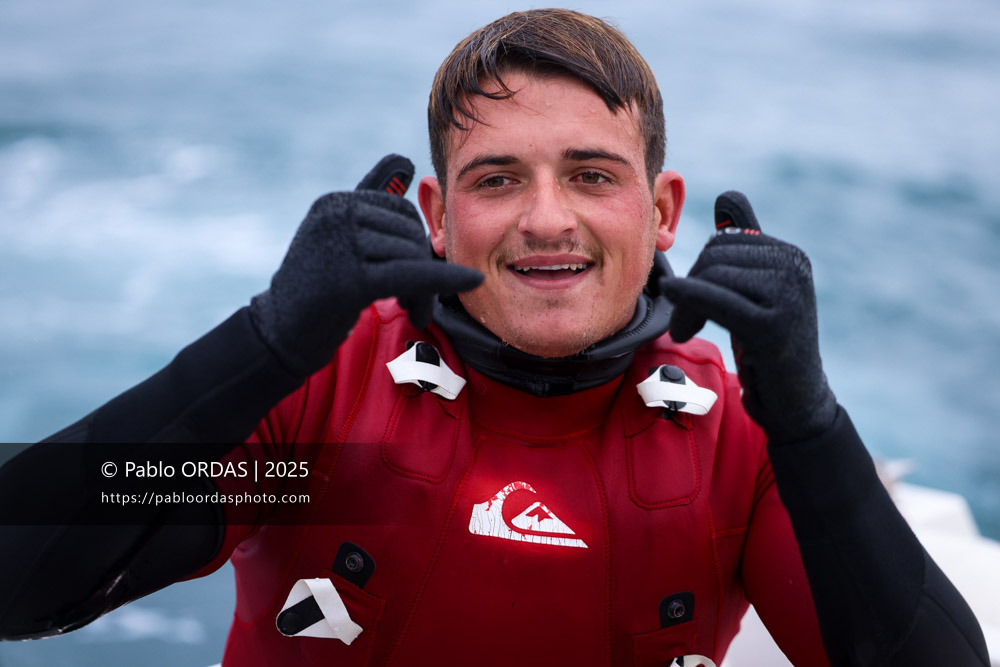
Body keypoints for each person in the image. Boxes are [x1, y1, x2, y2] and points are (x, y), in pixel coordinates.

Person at [0, 9, 989, 666]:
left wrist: (809, 419)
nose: (546, 218)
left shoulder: (739, 439)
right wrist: (262, 342)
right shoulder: (322, 400)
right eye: (497, 177)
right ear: (435, 214)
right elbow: (18, 583)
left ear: (663, 210)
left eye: (593, 175)